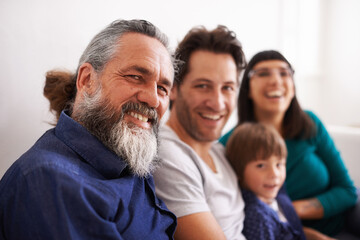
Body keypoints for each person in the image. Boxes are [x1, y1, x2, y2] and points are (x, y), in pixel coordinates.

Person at [0, 19, 177, 239]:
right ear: (87, 80)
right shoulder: (50, 180)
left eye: (162, 88)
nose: (152, 99)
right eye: (135, 77)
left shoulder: (130, 156)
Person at [220, 50, 358, 239]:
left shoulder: (310, 123)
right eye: (263, 73)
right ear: (247, 88)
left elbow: (348, 191)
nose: (276, 81)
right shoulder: (229, 144)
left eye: (284, 73)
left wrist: (289, 210)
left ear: (293, 86)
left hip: (344, 221)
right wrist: (282, 217)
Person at [153, 25, 247, 240]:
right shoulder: (168, 154)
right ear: (174, 88)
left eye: (228, 88)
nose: (217, 103)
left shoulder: (220, 151)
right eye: (203, 86)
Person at [225, 122, 306, 239]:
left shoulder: (274, 193)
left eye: (279, 164)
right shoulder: (257, 217)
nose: (274, 174)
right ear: (237, 171)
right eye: (261, 165)